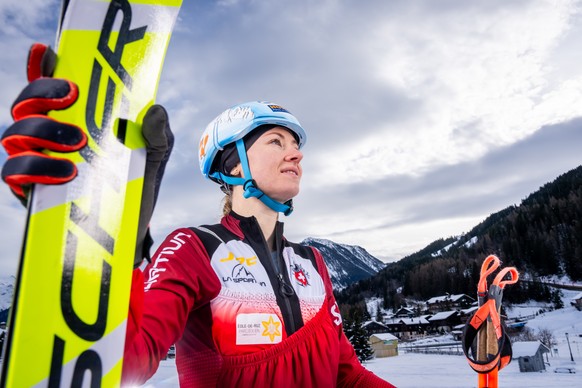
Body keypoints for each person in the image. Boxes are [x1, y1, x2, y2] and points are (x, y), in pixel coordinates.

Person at [2, 44, 395, 387]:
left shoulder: (313, 262)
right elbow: (130, 361)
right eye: (276, 141)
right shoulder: (194, 248)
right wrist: (97, 245)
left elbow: (346, 373)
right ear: (235, 165)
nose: (296, 153)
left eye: (296, 144)